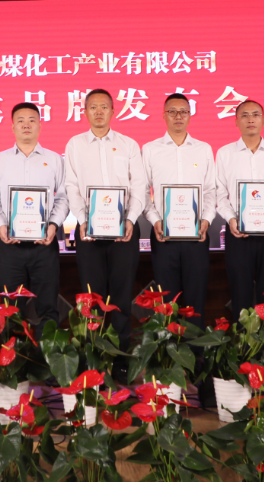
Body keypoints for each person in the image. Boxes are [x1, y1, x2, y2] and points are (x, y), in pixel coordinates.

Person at [65, 88, 148, 350]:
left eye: (104, 107)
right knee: (92, 296)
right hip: (88, 231)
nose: (99, 112)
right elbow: (71, 186)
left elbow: (139, 186)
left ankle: (120, 355)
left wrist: (130, 219)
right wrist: (82, 219)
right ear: (84, 112)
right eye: (93, 107)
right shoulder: (75, 145)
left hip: (125, 229)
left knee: (122, 295)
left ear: (113, 111)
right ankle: (95, 354)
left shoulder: (128, 144)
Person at [0, 102, 68, 329]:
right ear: (13, 127)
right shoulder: (0, 160)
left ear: (40, 125)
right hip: (10, 247)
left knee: (48, 308)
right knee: (10, 310)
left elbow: (63, 198)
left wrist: (53, 224)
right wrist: (1, 224)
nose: (26, 125)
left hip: (44, 246)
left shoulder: (55, 160)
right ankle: (12, 352)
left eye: (32, 120)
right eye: (20, 121)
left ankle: (46, 351)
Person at [142, 93, 217, 330]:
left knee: (195, 300)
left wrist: (206, 220)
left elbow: (210, 191)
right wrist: (155, 220)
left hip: (197, 235)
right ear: (164, 116)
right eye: (172, 111)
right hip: (163, 235)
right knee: (167, 301)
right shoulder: (150, 149)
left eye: (183, 111)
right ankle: (168, 351)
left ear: (190, 115)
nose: (178, 116)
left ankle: (195, 350)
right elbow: (142, 191)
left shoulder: (203, 149)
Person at [215, 99, 264, 316]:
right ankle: (242, 338)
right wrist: (231, 219)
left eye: (255, 114)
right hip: (238, 235)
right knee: (239, 294)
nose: (250, 119)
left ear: (263, 120)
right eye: (244, 115)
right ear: (236, 121)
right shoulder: (224, 153)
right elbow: (220, 194)